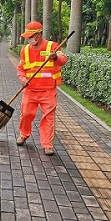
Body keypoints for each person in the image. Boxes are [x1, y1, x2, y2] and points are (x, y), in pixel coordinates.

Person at [16, 21, 68, 156]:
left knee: (48, 118)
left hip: (48, 90)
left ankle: (47, 145)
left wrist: (55, 56)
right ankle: (24, 134)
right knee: (26, 115)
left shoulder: (52, 47)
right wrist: (23, 80)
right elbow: (21, 68)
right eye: (27, 37)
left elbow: (63, 60)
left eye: (30, 36)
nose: (29, 39)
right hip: (30, 90)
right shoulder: (25, 50)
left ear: (38, 35)